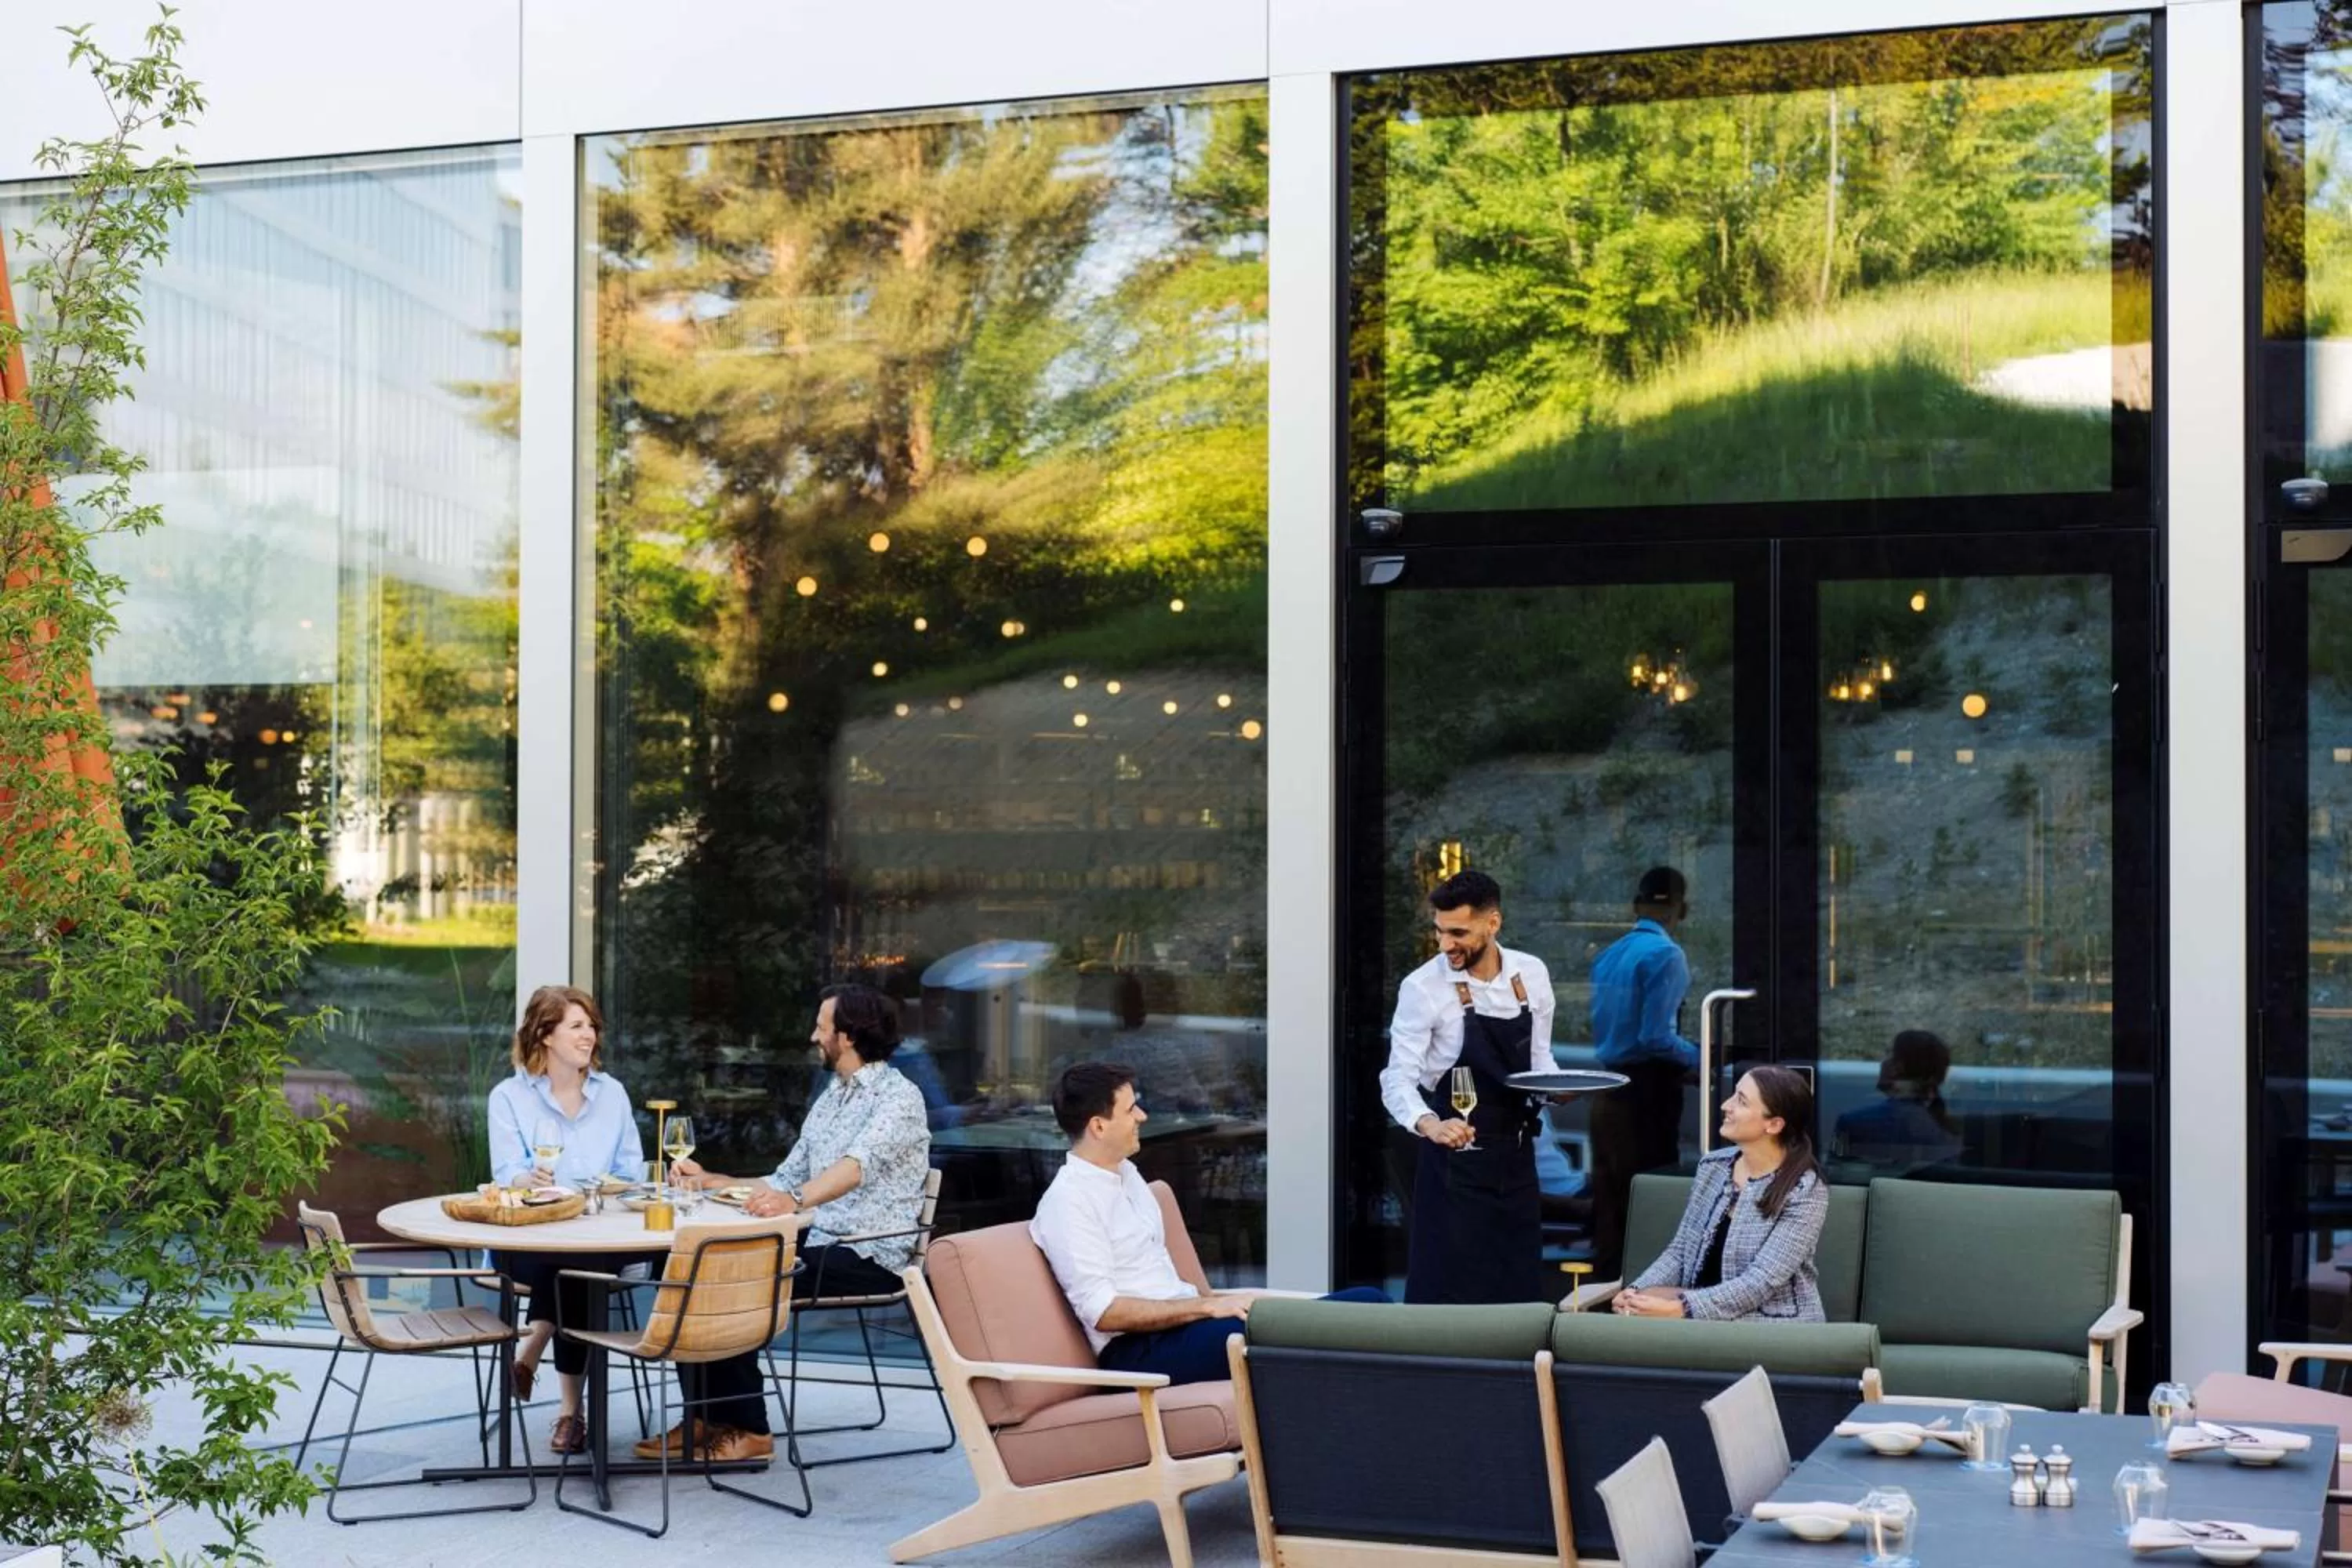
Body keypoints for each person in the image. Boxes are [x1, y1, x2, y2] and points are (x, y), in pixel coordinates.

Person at [657, 983, 931, 1462]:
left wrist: (795, 1199)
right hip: (822, 1239)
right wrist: (711, 1180)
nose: (813, 1037)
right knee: (703, 1267)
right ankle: (705, 1417)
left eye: (822, 1028)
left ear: (847, 1036)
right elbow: (784, 1179)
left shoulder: (898, 1098)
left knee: (744, 1282)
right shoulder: (833, 1096)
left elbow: (854, 1168)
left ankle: (750, 1430)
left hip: (871, 1253)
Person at [1031, 1062, 1387, 1385]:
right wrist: (1205, 1306)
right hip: (1138, 1353)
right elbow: (1104, 1312)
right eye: (1130, 1109)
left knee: (1369, 1304)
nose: (1142, 1116)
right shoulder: (1069, 1201)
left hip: (1184, 1330)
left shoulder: (1127, 1175)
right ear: (1098, 1126)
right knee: (1340, 1329)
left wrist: (1205, 1308)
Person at [484, 985, 648, 1457]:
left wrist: (606, 1189)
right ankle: (571, 1414)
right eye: (576, 1026)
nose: (589, 1035)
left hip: (601, 1240)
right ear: (545, 1035)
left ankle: (533, 1348)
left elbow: (630, 1172)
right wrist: (528, 1178)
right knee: (569, 1268)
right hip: (528, 1244)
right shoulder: (509, 1096)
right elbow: (507, 1173)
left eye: (591, 1025)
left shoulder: (612, 1094)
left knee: (577, 1264)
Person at [1378, 869, 1554, 1305]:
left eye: (1458, 933)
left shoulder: (1531, 974)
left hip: (1516, 1159)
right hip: (1455, 1166)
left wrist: (1557, 1089)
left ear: (1492, 923)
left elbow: (1539, 1061)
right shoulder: (1423, 987)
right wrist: (1430, 1124)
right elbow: (1396, 1077)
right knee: (1452, 1296)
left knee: (1518, 1293)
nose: (1445, 945)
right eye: (1439, 931)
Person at [1613, 1065, 1828, 1322]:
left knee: (1651, 1319)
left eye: (1741, 1101)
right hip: (1703, 1312)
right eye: (1733, 1095)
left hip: (1773, 1323)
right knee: (1638, 1307)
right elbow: (1680, 1251)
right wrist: (1636, 1290)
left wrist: (1681, 1309)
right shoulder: (1713, 1167)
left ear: (1774, 1124)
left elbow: (1761, 1281)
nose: (1726, 1105)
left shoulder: (1805, 1189)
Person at [1586, 866, 1699, 1281]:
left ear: (1636, 905)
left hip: (1608, 1089)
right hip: (1647, 1096)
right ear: (1681, 909)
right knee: (1649, 1198)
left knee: (1610, 1201)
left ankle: (1602, 1291)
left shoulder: (1609, 955)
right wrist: (1700, 1059)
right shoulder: (1666, 955)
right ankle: (1644, 1293)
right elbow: (1655, 1037)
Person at [1834, 1029, 1964, 1172]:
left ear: (1898, 1067)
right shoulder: (1951, 1130)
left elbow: (1835, 1172)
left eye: (1889, 1055)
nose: (1883, 1062)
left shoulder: (1853, 1123)